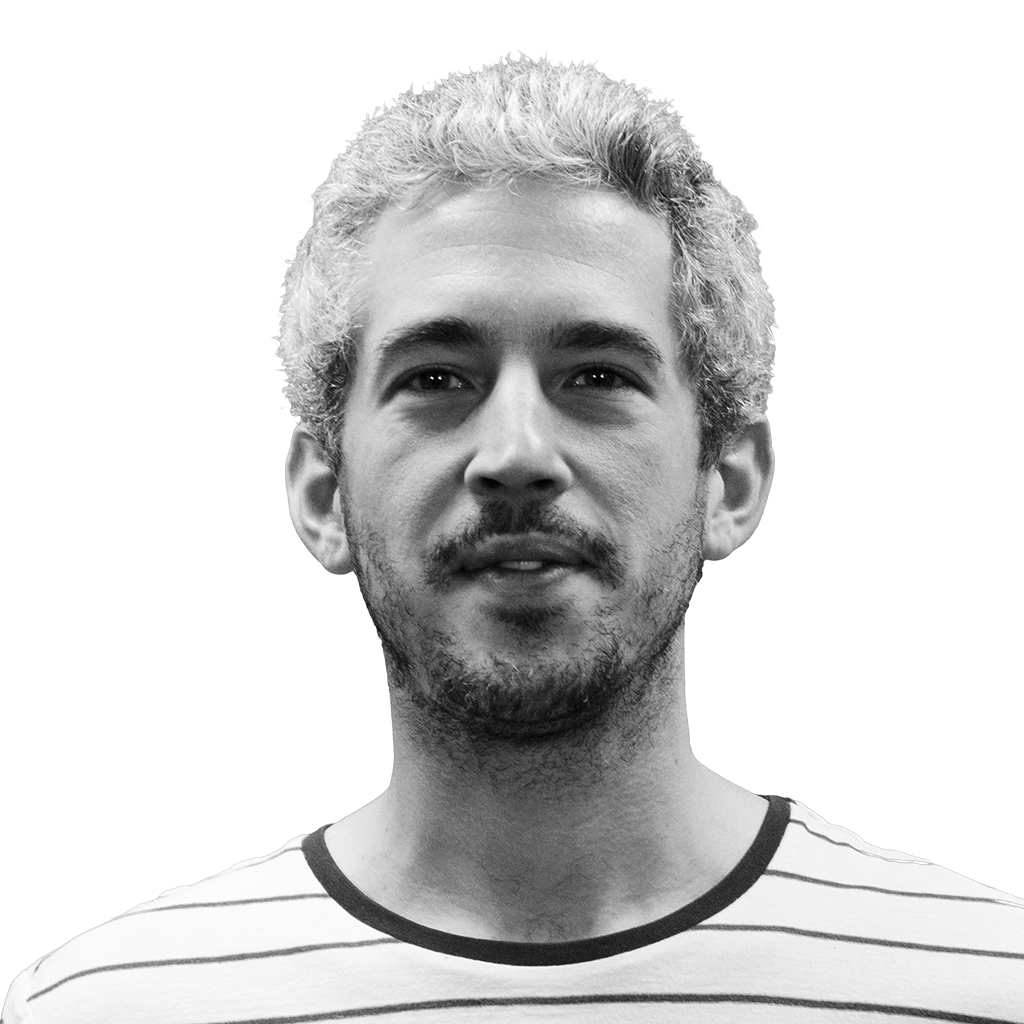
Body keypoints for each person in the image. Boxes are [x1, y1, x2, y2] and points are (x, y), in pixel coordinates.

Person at [5, 55, 1023, 1024]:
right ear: (323, 493)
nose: (518, 454)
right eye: (437, 378)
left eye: (599, 376)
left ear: (730, 479)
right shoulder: (102, 1005)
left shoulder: (984, 984)